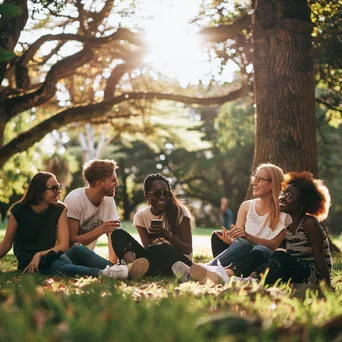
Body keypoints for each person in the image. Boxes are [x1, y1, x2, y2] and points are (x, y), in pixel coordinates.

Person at [173, 163, 291, 283]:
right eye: (254, 178)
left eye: (259, 179)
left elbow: (274, 246)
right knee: (229, 239)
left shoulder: (284, 212)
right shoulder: (246, 206)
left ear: (272, 184)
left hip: (263, 257)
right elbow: (239, 238)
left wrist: (248, 237)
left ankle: (203, 271)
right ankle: (210, 271)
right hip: (244, 252)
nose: (254, 182)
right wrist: (231, 241)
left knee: (259, 248)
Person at [0, 171, 128, 279]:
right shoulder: (18, 210)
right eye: (53, 188)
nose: (58, 192)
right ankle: (103, 273)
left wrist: (40, 254)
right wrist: (37, 257)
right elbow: (6, 244)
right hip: (31, 264)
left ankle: (120, 270)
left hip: (54, 256)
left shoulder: (59, 209)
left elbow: (64, 246)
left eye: (58, 187)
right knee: (56, 265)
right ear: (40, 191)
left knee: (78, 249)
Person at [110, 173, 193, 276]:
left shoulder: (180, 212)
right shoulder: (141, 216)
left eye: (166, 194)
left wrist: (167, 235)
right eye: (157, 194)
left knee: (163, 248)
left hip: (178, 260)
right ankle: (132, 266)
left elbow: (188, 249)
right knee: (117, 234)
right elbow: (147, 248)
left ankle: (144, 270)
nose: (162, 197)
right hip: (155, 260)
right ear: (146, 195)